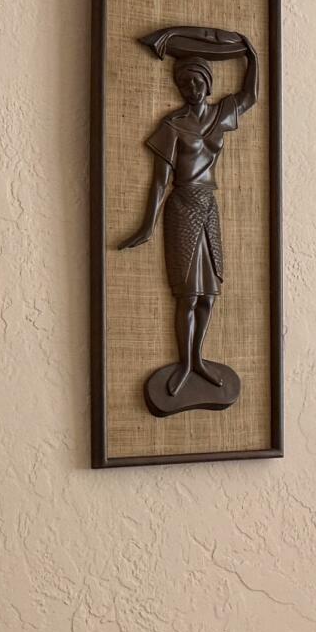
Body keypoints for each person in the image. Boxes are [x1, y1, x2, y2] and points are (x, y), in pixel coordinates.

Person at [117, 26, 256, 413]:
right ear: (180, 87)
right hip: (182, 206)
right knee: (188, 292)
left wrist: (252, 54)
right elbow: (160, 180)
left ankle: (199, 359)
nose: (192, 86)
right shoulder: (172, 126)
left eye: (198, 80)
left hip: (209, 205)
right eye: (186, 82)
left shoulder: (219, 116)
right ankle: (186, 363)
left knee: (210, 294)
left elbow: (251, 95)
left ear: (207, 85)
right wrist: (147, 225)